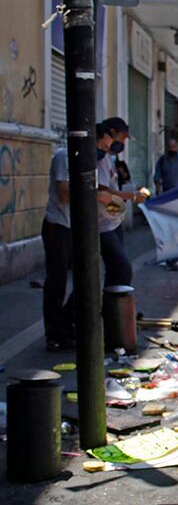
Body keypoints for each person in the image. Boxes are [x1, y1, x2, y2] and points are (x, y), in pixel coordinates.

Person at [97, 122, 148, 286]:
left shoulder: (110, 158)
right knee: (121, 268)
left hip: (112, 222)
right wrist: (131, 197)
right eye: (123, 137)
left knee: (116, 270)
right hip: (103, 225)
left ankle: (113, 308)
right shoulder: (101, 158)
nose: (123, 143)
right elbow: (102, 192)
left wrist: (119, 211)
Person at [42, 137, 74, 351]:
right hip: (58, 225)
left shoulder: (91, 160)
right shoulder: (64, 157)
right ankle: (54, 333)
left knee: (86, 278)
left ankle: (66, 323)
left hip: (74, 227)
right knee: (57, 281)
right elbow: (64, 195)